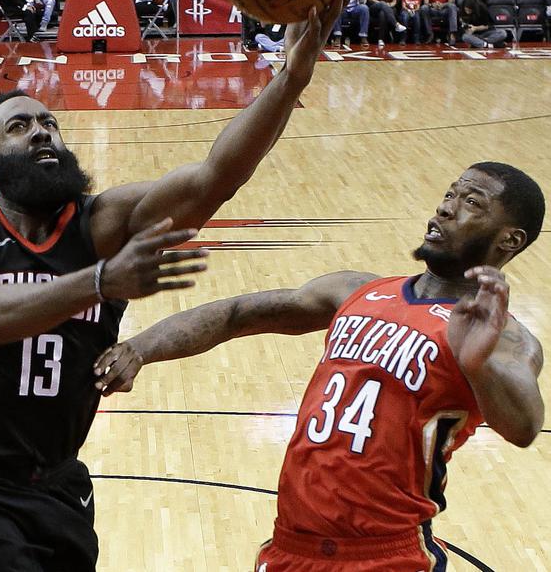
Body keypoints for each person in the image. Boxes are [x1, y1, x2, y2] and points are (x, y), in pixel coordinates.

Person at [0, 0, 362, 572]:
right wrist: (101, 281)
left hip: (59, 481)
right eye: (20, 127)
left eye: (49, 123)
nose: (42, 132)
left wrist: (291, 78)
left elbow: (213, 179)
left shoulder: (100, 224)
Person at [94, 163, 544, 571]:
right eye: (449, 194)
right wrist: (140, 348)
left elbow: (524, 426)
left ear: (510, 239)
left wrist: (478, 364)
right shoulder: (356, 290)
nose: (446, 208)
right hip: (290, 547)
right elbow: (236, 315)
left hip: (389, 556)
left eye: (471, 203)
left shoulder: (504, 337)